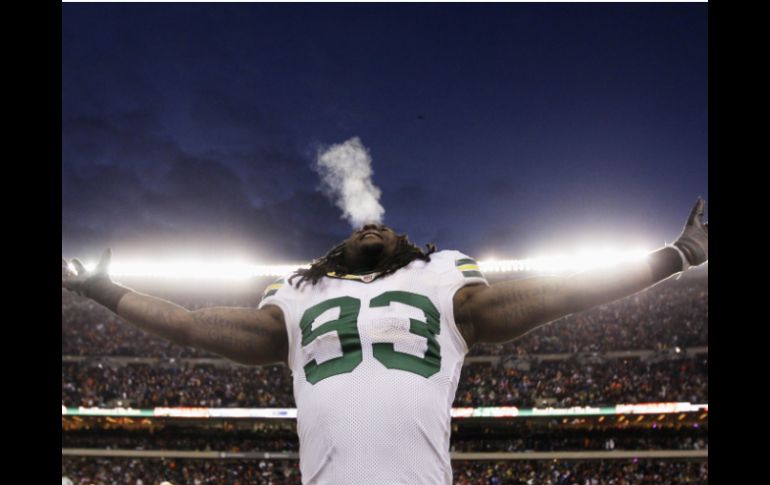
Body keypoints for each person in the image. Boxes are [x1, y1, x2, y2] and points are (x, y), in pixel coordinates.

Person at [62, 198, 708, 485]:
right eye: (361, 225)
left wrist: (674, 255)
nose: (374, 224)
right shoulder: (295, 291)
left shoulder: (443, 274)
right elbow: (193, 324)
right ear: (333, 250)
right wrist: (106, 291)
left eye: (387, 224)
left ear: (409, 247)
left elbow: (563, 291)